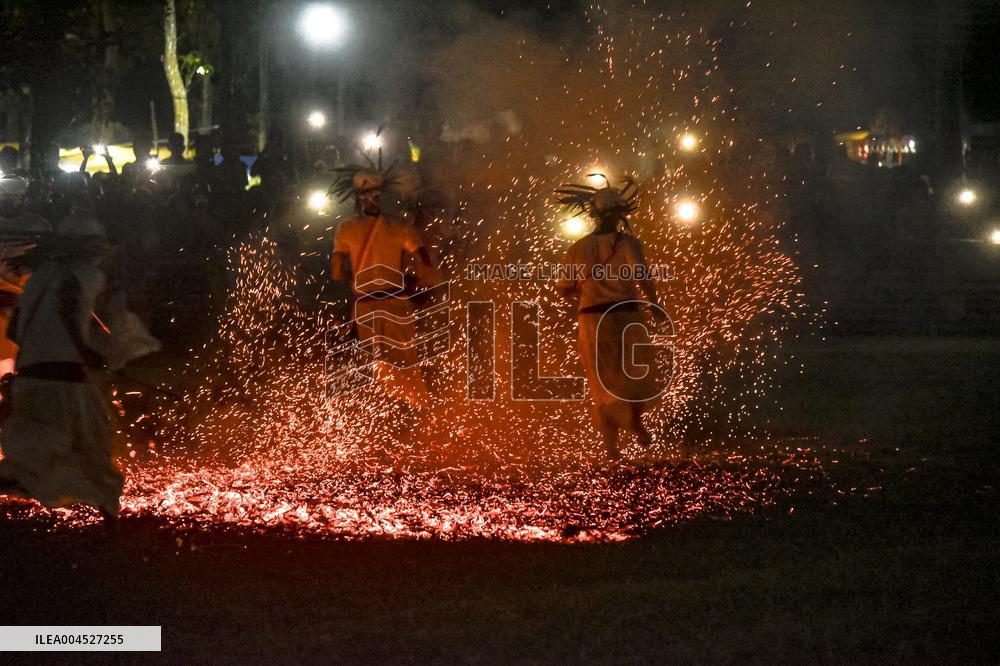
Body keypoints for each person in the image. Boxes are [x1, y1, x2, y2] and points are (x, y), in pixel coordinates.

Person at [0, 218, 123, 520]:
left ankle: (20, 480)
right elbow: (68, 310)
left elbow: (15, 331)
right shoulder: (86, 274)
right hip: (65, 377)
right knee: (92, 439)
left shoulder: (37, 278)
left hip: (30, 377)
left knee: (41, 445)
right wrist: (85, 353)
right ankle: (108, 512)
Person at [555, 179, 665, 461]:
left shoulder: (577, 249)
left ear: (593, 214)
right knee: (634, 378)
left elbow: (564, 288)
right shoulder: (628, 243)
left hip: (593, 322)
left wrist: (585, 287)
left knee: (602, 385)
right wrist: (654, 305)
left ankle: (611, 449)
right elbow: (642, 276)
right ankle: (634, 423)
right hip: (627, 319)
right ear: (618, 215)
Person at [331, 168, 439, 409]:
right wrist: (416, 284)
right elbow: (426, 265)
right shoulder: (400, 228)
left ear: (357, 197)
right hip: (397, 305)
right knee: (407, 365)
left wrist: (354, 276)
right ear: (382, 195)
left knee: (374, 368)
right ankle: (422, 411)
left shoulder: (346, 229)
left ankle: (383, 413)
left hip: (366, 309)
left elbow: (336, 273)